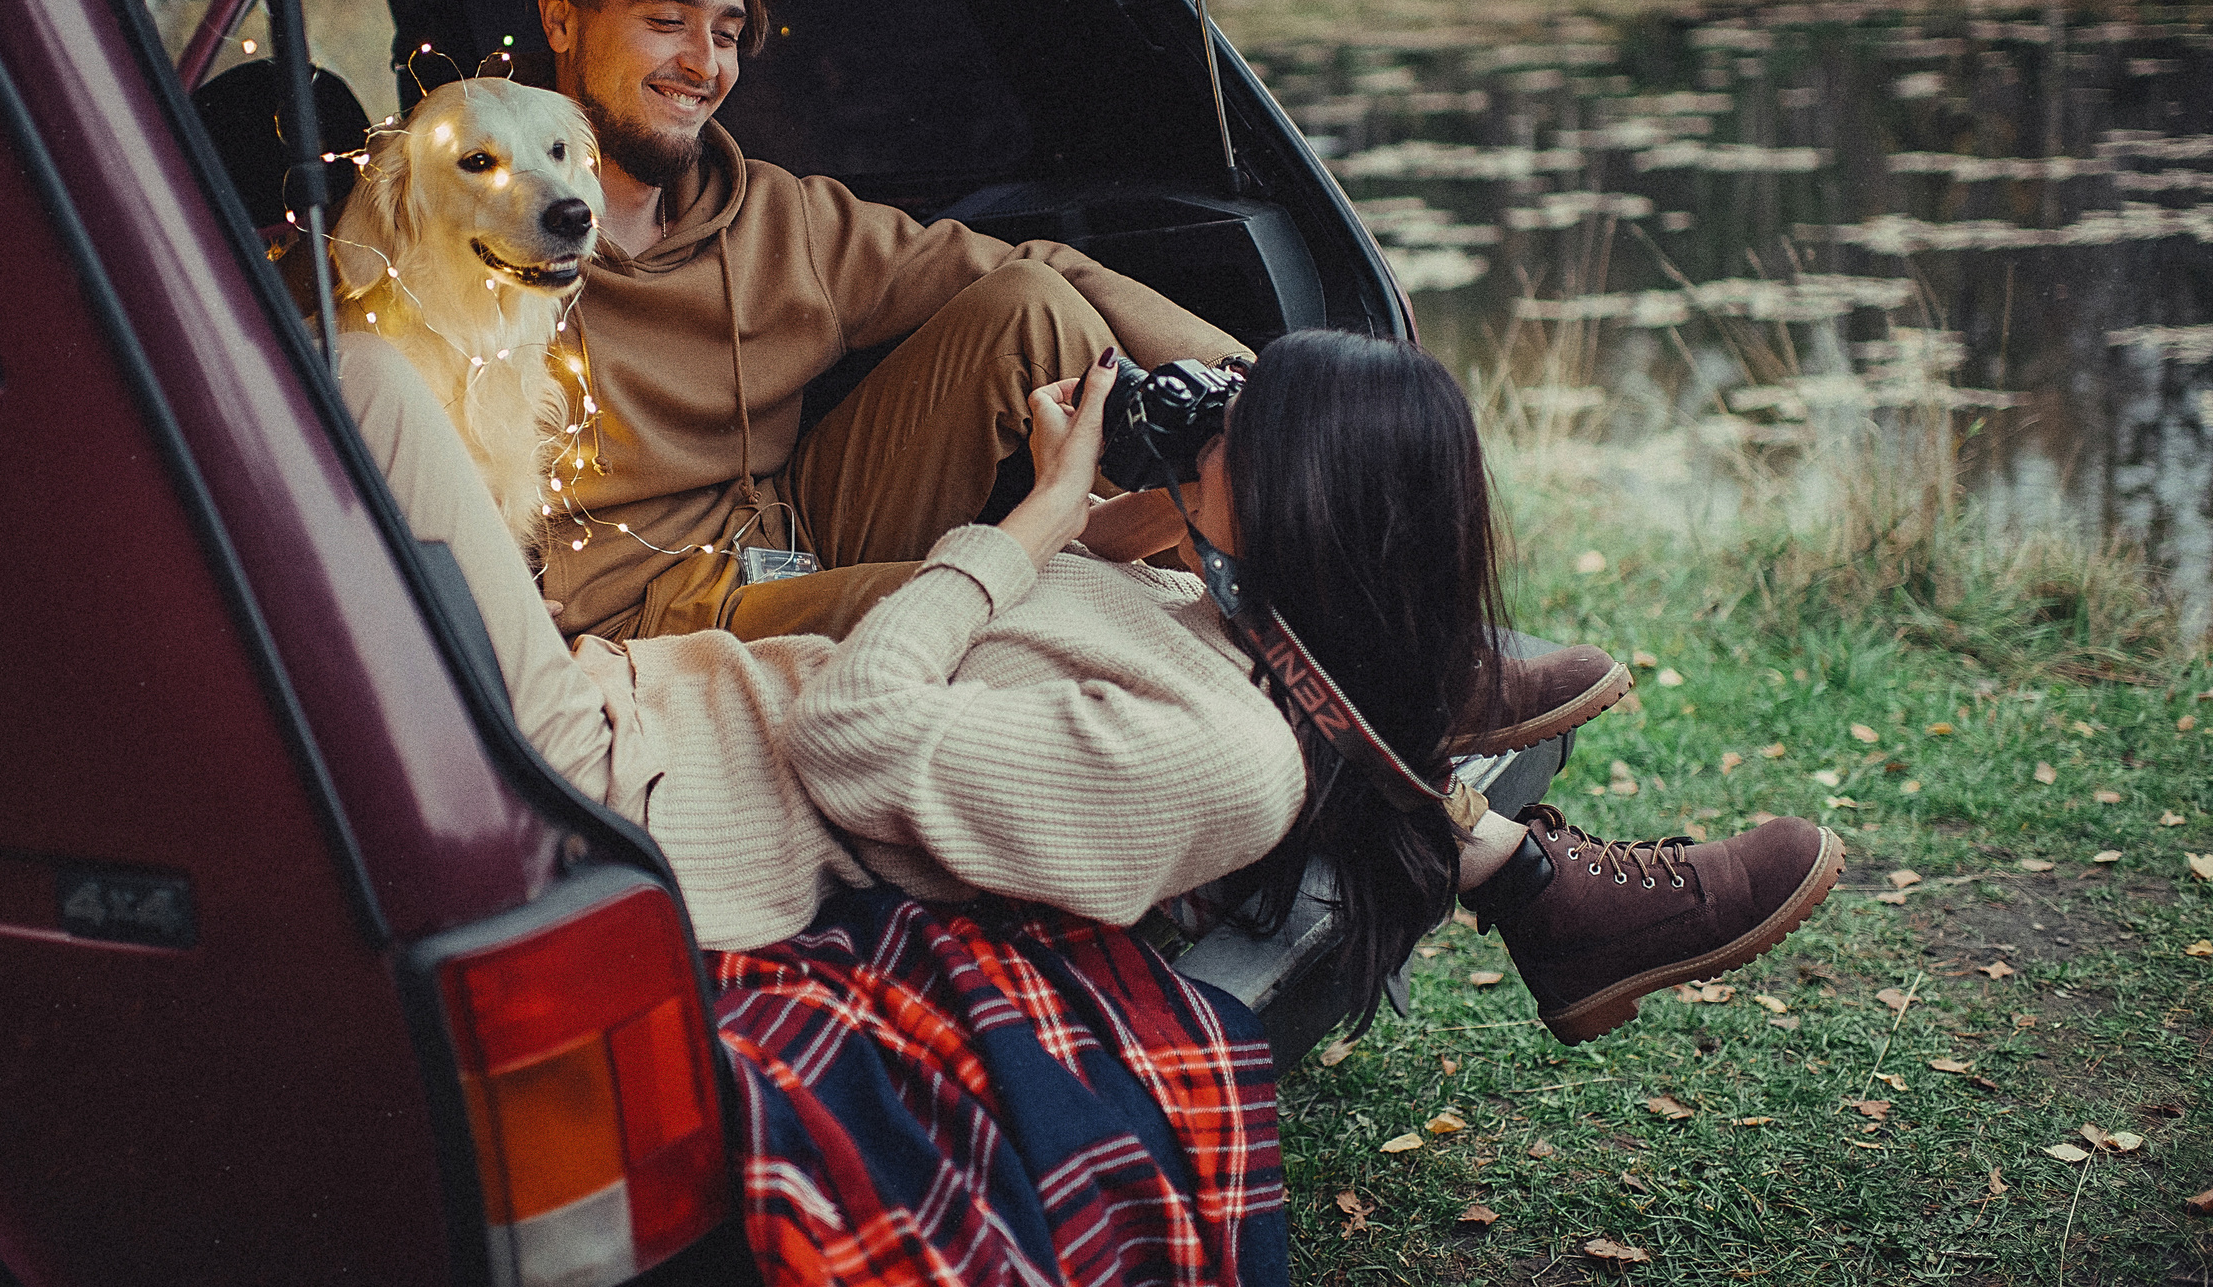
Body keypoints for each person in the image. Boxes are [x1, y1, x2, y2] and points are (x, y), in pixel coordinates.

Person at [339, 320, 1843, 1280]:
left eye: (1242, 410)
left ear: (1301, 490)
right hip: (644, 693)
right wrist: (1111, 491)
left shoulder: (1225, 748)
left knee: (365, 370)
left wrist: (1033, 516)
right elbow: (1058, 617)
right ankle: (1527, 876)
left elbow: (856, 733)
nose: (1215, 410)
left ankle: (1523, 869)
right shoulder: (1213, 604)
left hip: (607, 777)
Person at [522, 0, 1629, 743]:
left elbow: (1035, 263)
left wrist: (1267, 395)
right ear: (562, 20)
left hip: (797, 529)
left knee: (1029, 304)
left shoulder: (770, 213)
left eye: (725, 33)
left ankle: (1344, 625)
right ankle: (1350, 679)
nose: (703, 62)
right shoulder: (471, 232)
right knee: (1024, 587)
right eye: (666, 20)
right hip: (653, 606)